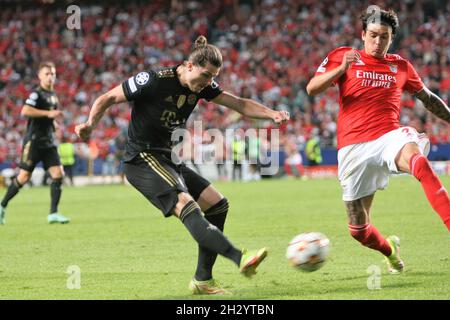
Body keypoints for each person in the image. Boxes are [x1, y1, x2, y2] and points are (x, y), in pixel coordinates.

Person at [75, 36, 290, 294]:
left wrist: (271, 114)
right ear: (189, 65)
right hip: (141, 159)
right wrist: (89, 125)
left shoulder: (202, 86)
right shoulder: (154, 80)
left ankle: (202, 280)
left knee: (217, 204)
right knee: (185, 203)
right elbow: (107, 97)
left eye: (213, 77)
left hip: (167, 157)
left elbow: (240, 104)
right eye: (205, 75)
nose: (208, 82)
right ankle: (239, 257)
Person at [306, 8, 450, 274]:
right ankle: (389, 252)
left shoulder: (401, 66)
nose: (377, 42)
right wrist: (341, 68)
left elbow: (428, 99)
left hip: (389, 137)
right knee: (358, 229)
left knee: (419, 162)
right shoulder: (343, 56)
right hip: (353, 147)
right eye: (372, 35)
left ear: (391, 38)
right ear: (363, 34)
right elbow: (312, 88)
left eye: (384, 37)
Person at [0, 62, 70, 225]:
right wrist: (48, 113)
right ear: (39, 76)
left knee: (58, 174)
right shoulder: (36, 94)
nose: (50, 76)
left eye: (52, 73)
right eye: (47, 74)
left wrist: (54, 124)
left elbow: (49, 117)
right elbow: (25, 111)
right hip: (34, 142)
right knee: (24, 177)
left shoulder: (53, 95)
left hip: (49, 143)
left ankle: (53, 213)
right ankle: (2, 206)